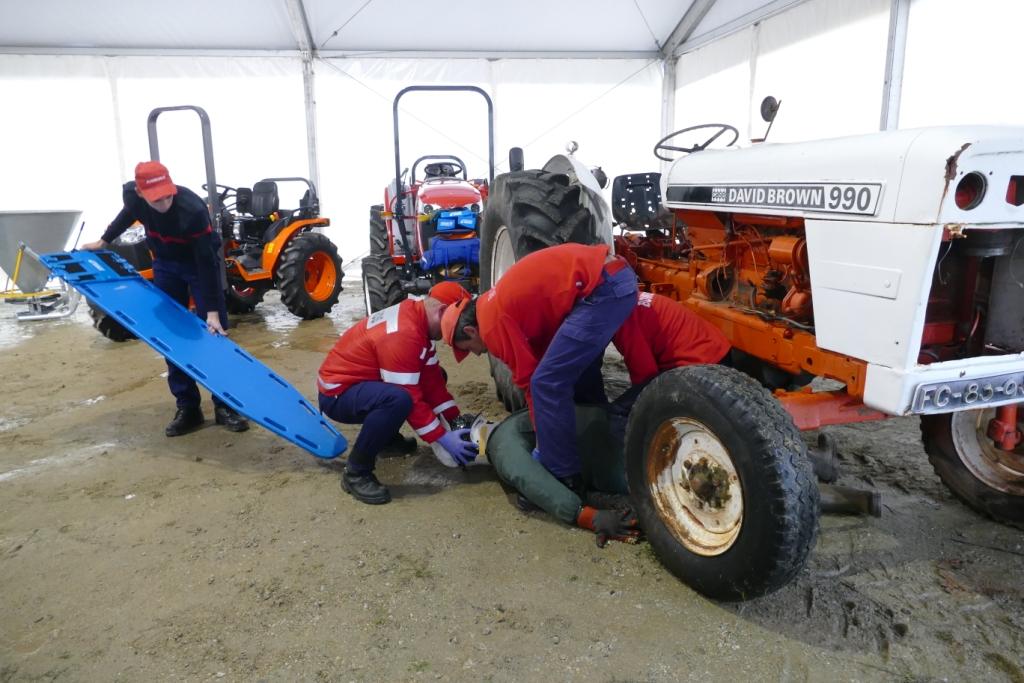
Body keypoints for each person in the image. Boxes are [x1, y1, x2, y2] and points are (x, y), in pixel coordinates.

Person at [439, 242, 638, 489]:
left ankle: (565, 476)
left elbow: (532, 382)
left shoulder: (491, 325)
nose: (477, 354)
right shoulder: (493, 305)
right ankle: (598, 436)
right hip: (611, 278)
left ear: (470, 331)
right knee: (574, 372)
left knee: (547, 384)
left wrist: (543, 446)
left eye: (469, 348)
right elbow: (543, 356)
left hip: (603, 289)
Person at [81, 161, 249, 436]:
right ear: (141, 193)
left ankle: (225, 406)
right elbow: (127, 214)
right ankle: (188, 408)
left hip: (198, 264)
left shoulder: (192, 210)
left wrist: (212, 313)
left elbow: (206, 262)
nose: (164, 203)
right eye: (156, 199)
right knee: (172, 336)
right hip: (166, 264)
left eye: (167, 196)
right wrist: (104, 241)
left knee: (215, 334)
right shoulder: (133, 197)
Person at [317, 281, 477, 505]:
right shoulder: (404, 333)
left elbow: (433, 384)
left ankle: (385, 439)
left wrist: (455, 420)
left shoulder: (418, 320)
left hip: (360, 384)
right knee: (398, 400)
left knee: (433, 376)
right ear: (442, 311)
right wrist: (442, 437)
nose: (447, 337)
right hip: (337, 394)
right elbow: (409, 395)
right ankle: (356, 472)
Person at [607, 290, 732, 444]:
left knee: (619, 412)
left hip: (699, 366)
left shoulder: (623, 322)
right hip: (716, 350)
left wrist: (640, 411)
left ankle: (638, 455)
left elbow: (645, 377)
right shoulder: (628, 298)